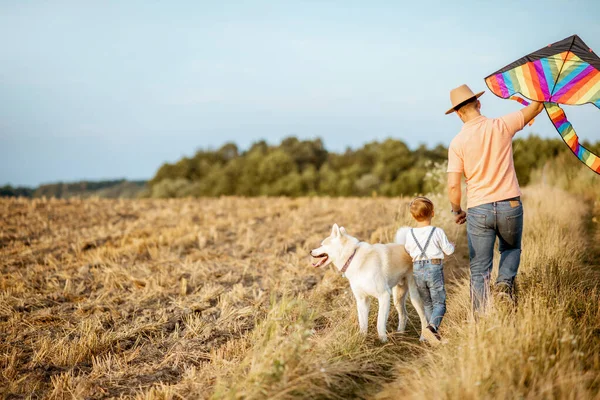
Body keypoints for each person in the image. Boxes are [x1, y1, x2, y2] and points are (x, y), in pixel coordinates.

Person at [445, 84, 544, 313]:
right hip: (510, 204)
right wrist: (542, 83)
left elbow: (453, 185)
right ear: (479, 104)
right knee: (510, 250)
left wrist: (456, 210)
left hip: (479, 209)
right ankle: (503, 285)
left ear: (458, 113)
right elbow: (537, 107)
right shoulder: (502, 125)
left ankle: (481, 322)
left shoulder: (457, 143)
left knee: (479, 269)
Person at [404, 196, 455, 343]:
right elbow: (449, 251)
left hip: (417, 269)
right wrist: (452, 245)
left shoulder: (410, 233)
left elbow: (408, 249)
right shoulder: (437, 231)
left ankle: (431, 334)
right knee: (440, 303)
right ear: (432, 213)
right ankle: (431, 328)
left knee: (427, 303)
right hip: (433, 267)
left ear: (413, 216)